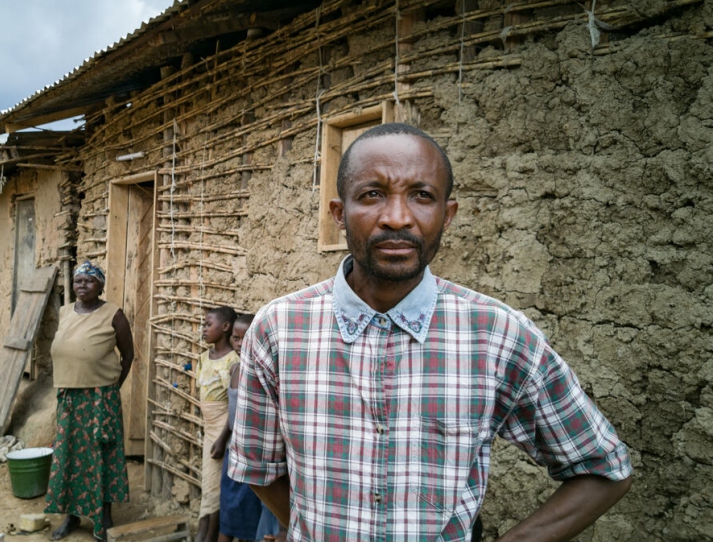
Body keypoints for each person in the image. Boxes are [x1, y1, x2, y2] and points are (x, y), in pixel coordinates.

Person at [228, 123, 633, 541]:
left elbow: (603, 470)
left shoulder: (499, 335)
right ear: (338, 213)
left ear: (448, 215)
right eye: (372, 195)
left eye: (422, 196)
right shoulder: (278, 329)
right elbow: (259, 468)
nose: (397, 217)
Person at [45, 261, 135, 541]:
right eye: (78, 281)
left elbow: (128, 355)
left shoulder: (113, 314)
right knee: (69, 454)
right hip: (70, 398)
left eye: (89, 281)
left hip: (100, 397)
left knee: (101, 453)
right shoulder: (64, 312)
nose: (82, 285)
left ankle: (103, 516)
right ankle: (71, 515)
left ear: (100, 285)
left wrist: (112, 388)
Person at [216, 313, 263, 542]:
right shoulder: (235, 370)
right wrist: (222, 439)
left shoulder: (259, 372)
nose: (240, 344)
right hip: (232, 451)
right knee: (228, 507)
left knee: (247, 512)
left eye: (245, 338)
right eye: (235, 338)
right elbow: (232, 413)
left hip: (251, 453)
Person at [196, 306, 239, 542]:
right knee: (209, 484)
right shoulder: (203, 359)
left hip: (224, 431)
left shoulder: (233, 362)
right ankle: (203, 532)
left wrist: (223, 438)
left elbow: (233, 406)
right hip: (209, 429)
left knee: (216, 486)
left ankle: (208, 535)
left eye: (207, 324)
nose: (203, 329)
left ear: (224, 327)